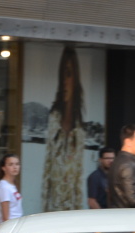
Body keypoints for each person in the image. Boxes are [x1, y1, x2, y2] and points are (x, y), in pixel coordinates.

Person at [42, 47, 86, 212]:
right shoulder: (54, 119)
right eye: (62, 76)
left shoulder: (80, 130)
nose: (65, 82)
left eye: (69, 74)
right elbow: (47, 173)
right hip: (53, 211)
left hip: (71, 213)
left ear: (76, 78)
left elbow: (79, 183)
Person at [0, 153, 24, 223]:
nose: (15, 167)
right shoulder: (4, 187)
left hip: (17, 225)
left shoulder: (11, 185)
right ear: (4, 168)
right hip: (11, 229)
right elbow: (6, 217)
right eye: (11, 164)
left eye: (17, 164)